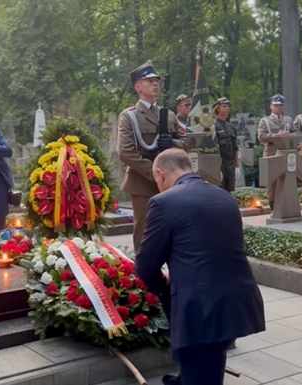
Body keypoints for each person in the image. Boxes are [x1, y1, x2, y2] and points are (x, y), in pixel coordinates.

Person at [135, 149, 265, 385]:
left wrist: (164, 287)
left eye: (157, 182)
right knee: (209, 366)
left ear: (160, 174)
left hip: (198, 307)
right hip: (234, 300)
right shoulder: (224, 196)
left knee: (201, 370)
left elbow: (146, 265)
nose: (159, 187)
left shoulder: (164, 202)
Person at [117, 61, 191, 253]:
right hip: (144, 181)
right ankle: (145, 275)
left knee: (172, 227)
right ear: (138, 87)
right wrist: (155, 173)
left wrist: (173, 144)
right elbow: (125, 152)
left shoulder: (168, 115)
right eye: (150, 80)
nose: (155, 84)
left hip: (171, 183)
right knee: (145, 231)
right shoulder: (130, 116)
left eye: (157, 80)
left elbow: (187, 142)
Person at [257, 94, 294, 213]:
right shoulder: (265, 121)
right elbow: (261, 137)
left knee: (285, 180)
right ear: (271, 106)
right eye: (276, 105)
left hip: (285, 153)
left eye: (280, 105)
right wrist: (277, 136)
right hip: (271, 153)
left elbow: (296, 132)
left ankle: (285, 206)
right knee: (271, 182)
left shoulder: (288, 120)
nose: (278, 107)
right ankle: (273, 208)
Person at [212, 97, 240, 192]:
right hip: (221, 164)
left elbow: (235, 148)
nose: (227, 108)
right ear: (217, 109)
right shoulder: (214, 127)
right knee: (220, 190)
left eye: (228, 106)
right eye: (224, 106)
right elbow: (215, 149)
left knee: (230, 191)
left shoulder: (231, 127)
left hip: (230, 164)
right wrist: (217, 168)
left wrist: (237, 166)